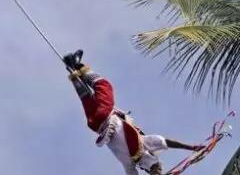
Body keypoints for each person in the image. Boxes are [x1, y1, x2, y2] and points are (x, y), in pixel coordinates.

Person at [63, 49, 204, 175]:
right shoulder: (129, 164)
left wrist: (191, 147)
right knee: (87, 98)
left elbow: (167, 142)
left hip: (105, 117)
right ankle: (71, 65)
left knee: (104, 86)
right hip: (95, 125)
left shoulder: (145, 143)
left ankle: (79, 66)